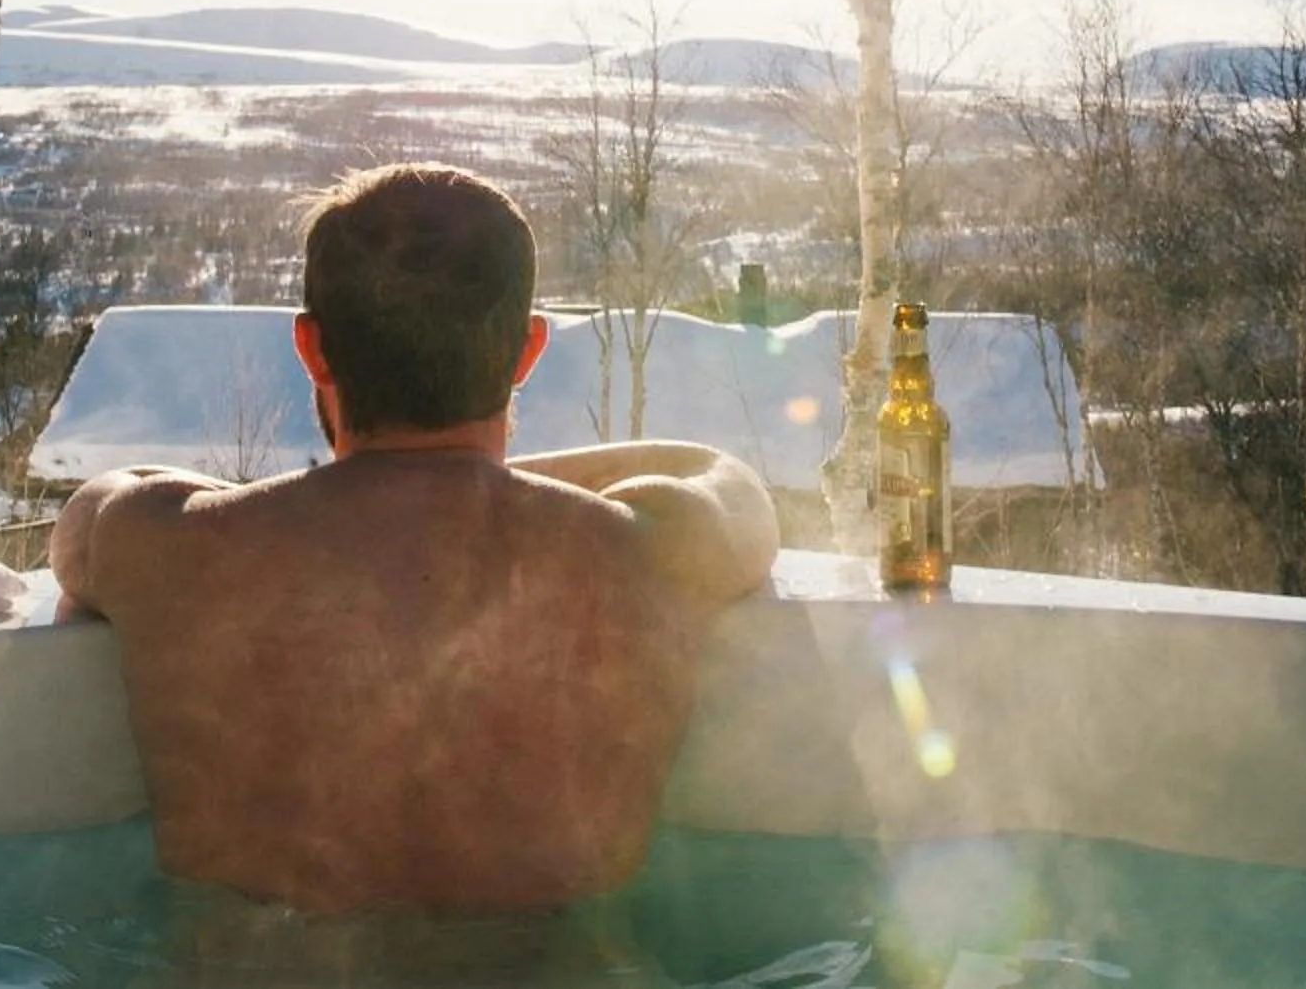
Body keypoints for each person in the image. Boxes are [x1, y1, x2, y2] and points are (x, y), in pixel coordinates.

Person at [51, 161, 780, 925]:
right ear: (528, 351)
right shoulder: (649, 549)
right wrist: (469, 478)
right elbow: (721, 478)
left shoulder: (165, 548)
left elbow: (90, 512)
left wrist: (370, 479)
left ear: (312, 348)